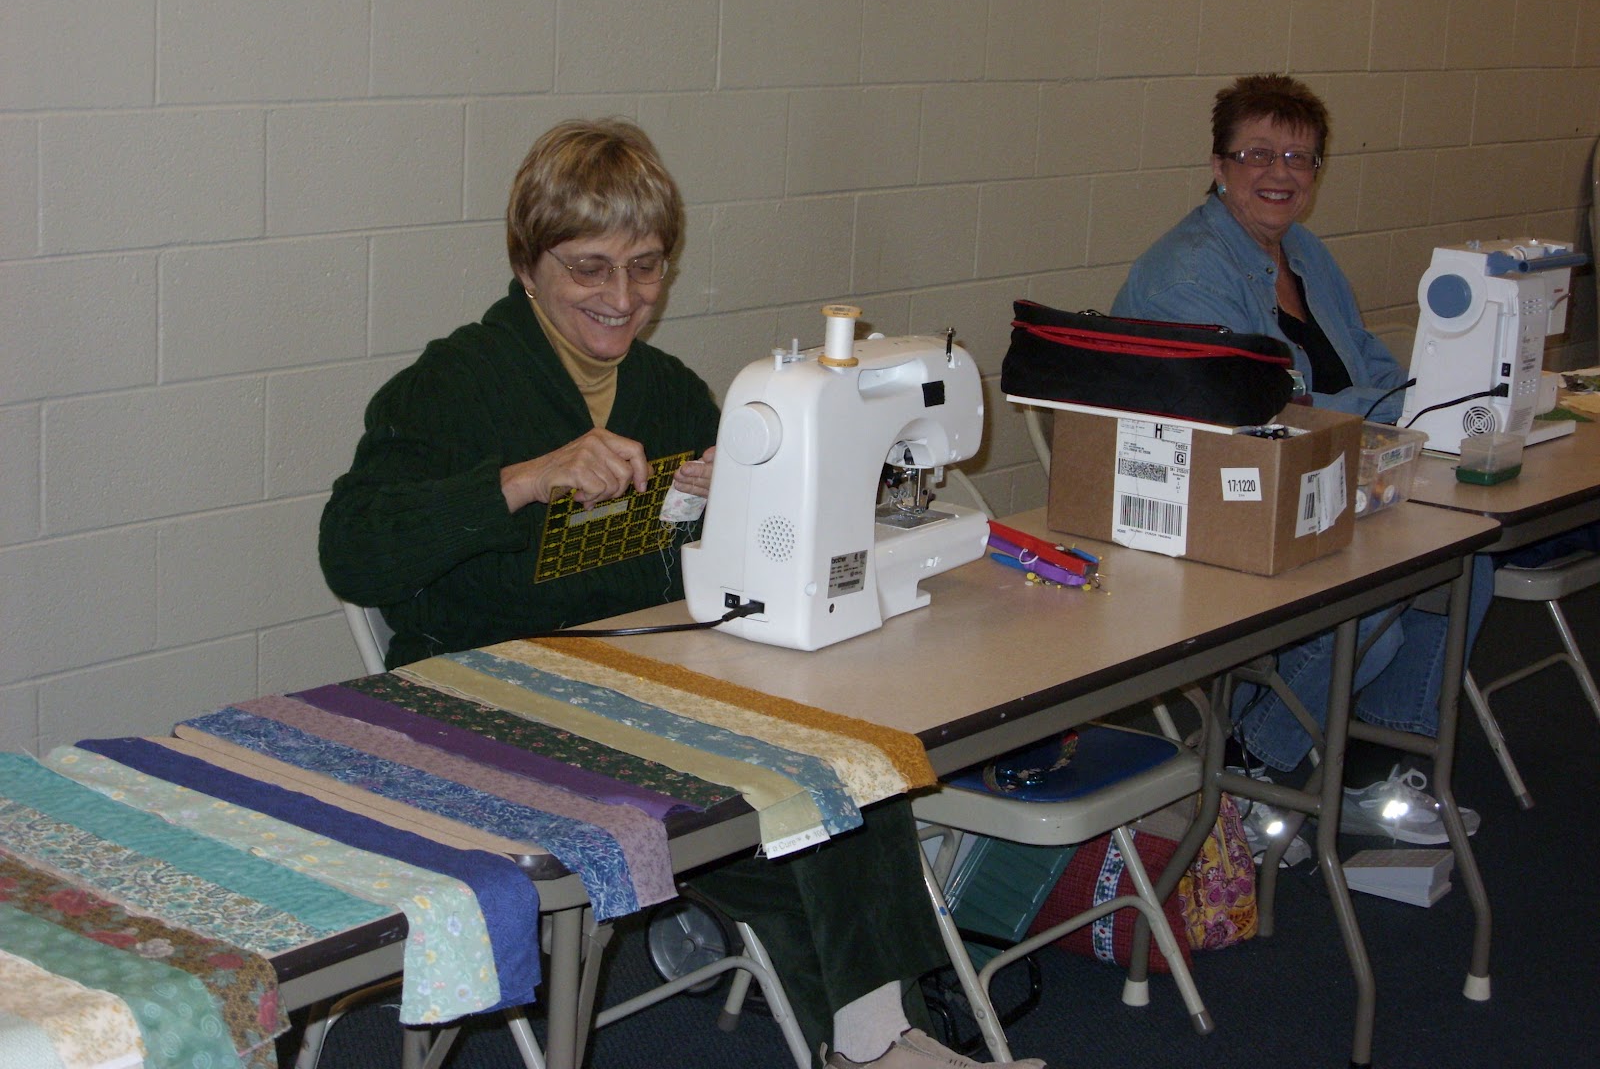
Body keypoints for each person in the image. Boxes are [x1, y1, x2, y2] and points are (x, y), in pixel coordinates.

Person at [319, 118, 1042, 1069]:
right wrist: (524, 479)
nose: (622, 299)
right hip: (484, 694)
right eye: (589, 268)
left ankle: (873, 1040)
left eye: (646, 266)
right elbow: (352, 553)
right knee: (795, 816)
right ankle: (869, 1036)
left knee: (848, 763)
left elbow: (728, 559)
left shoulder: (667, 391)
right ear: (528, 263)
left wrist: (739, 499)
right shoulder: (449, 387)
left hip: (637, 679)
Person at [1111, 73, 1491, 846]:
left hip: (1320, 472)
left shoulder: (1302, 252)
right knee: (1381, 606)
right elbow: (1271, 410)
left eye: (1301, 157)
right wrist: (1397, 428)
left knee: (1468, 549)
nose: (1281, 173)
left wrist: (1430, 410)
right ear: (1219, 165)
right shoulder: (1192, 273)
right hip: (1219, 491)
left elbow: (1368, 368)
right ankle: (1250, 763)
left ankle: (1366, 769)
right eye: (1259, 154)